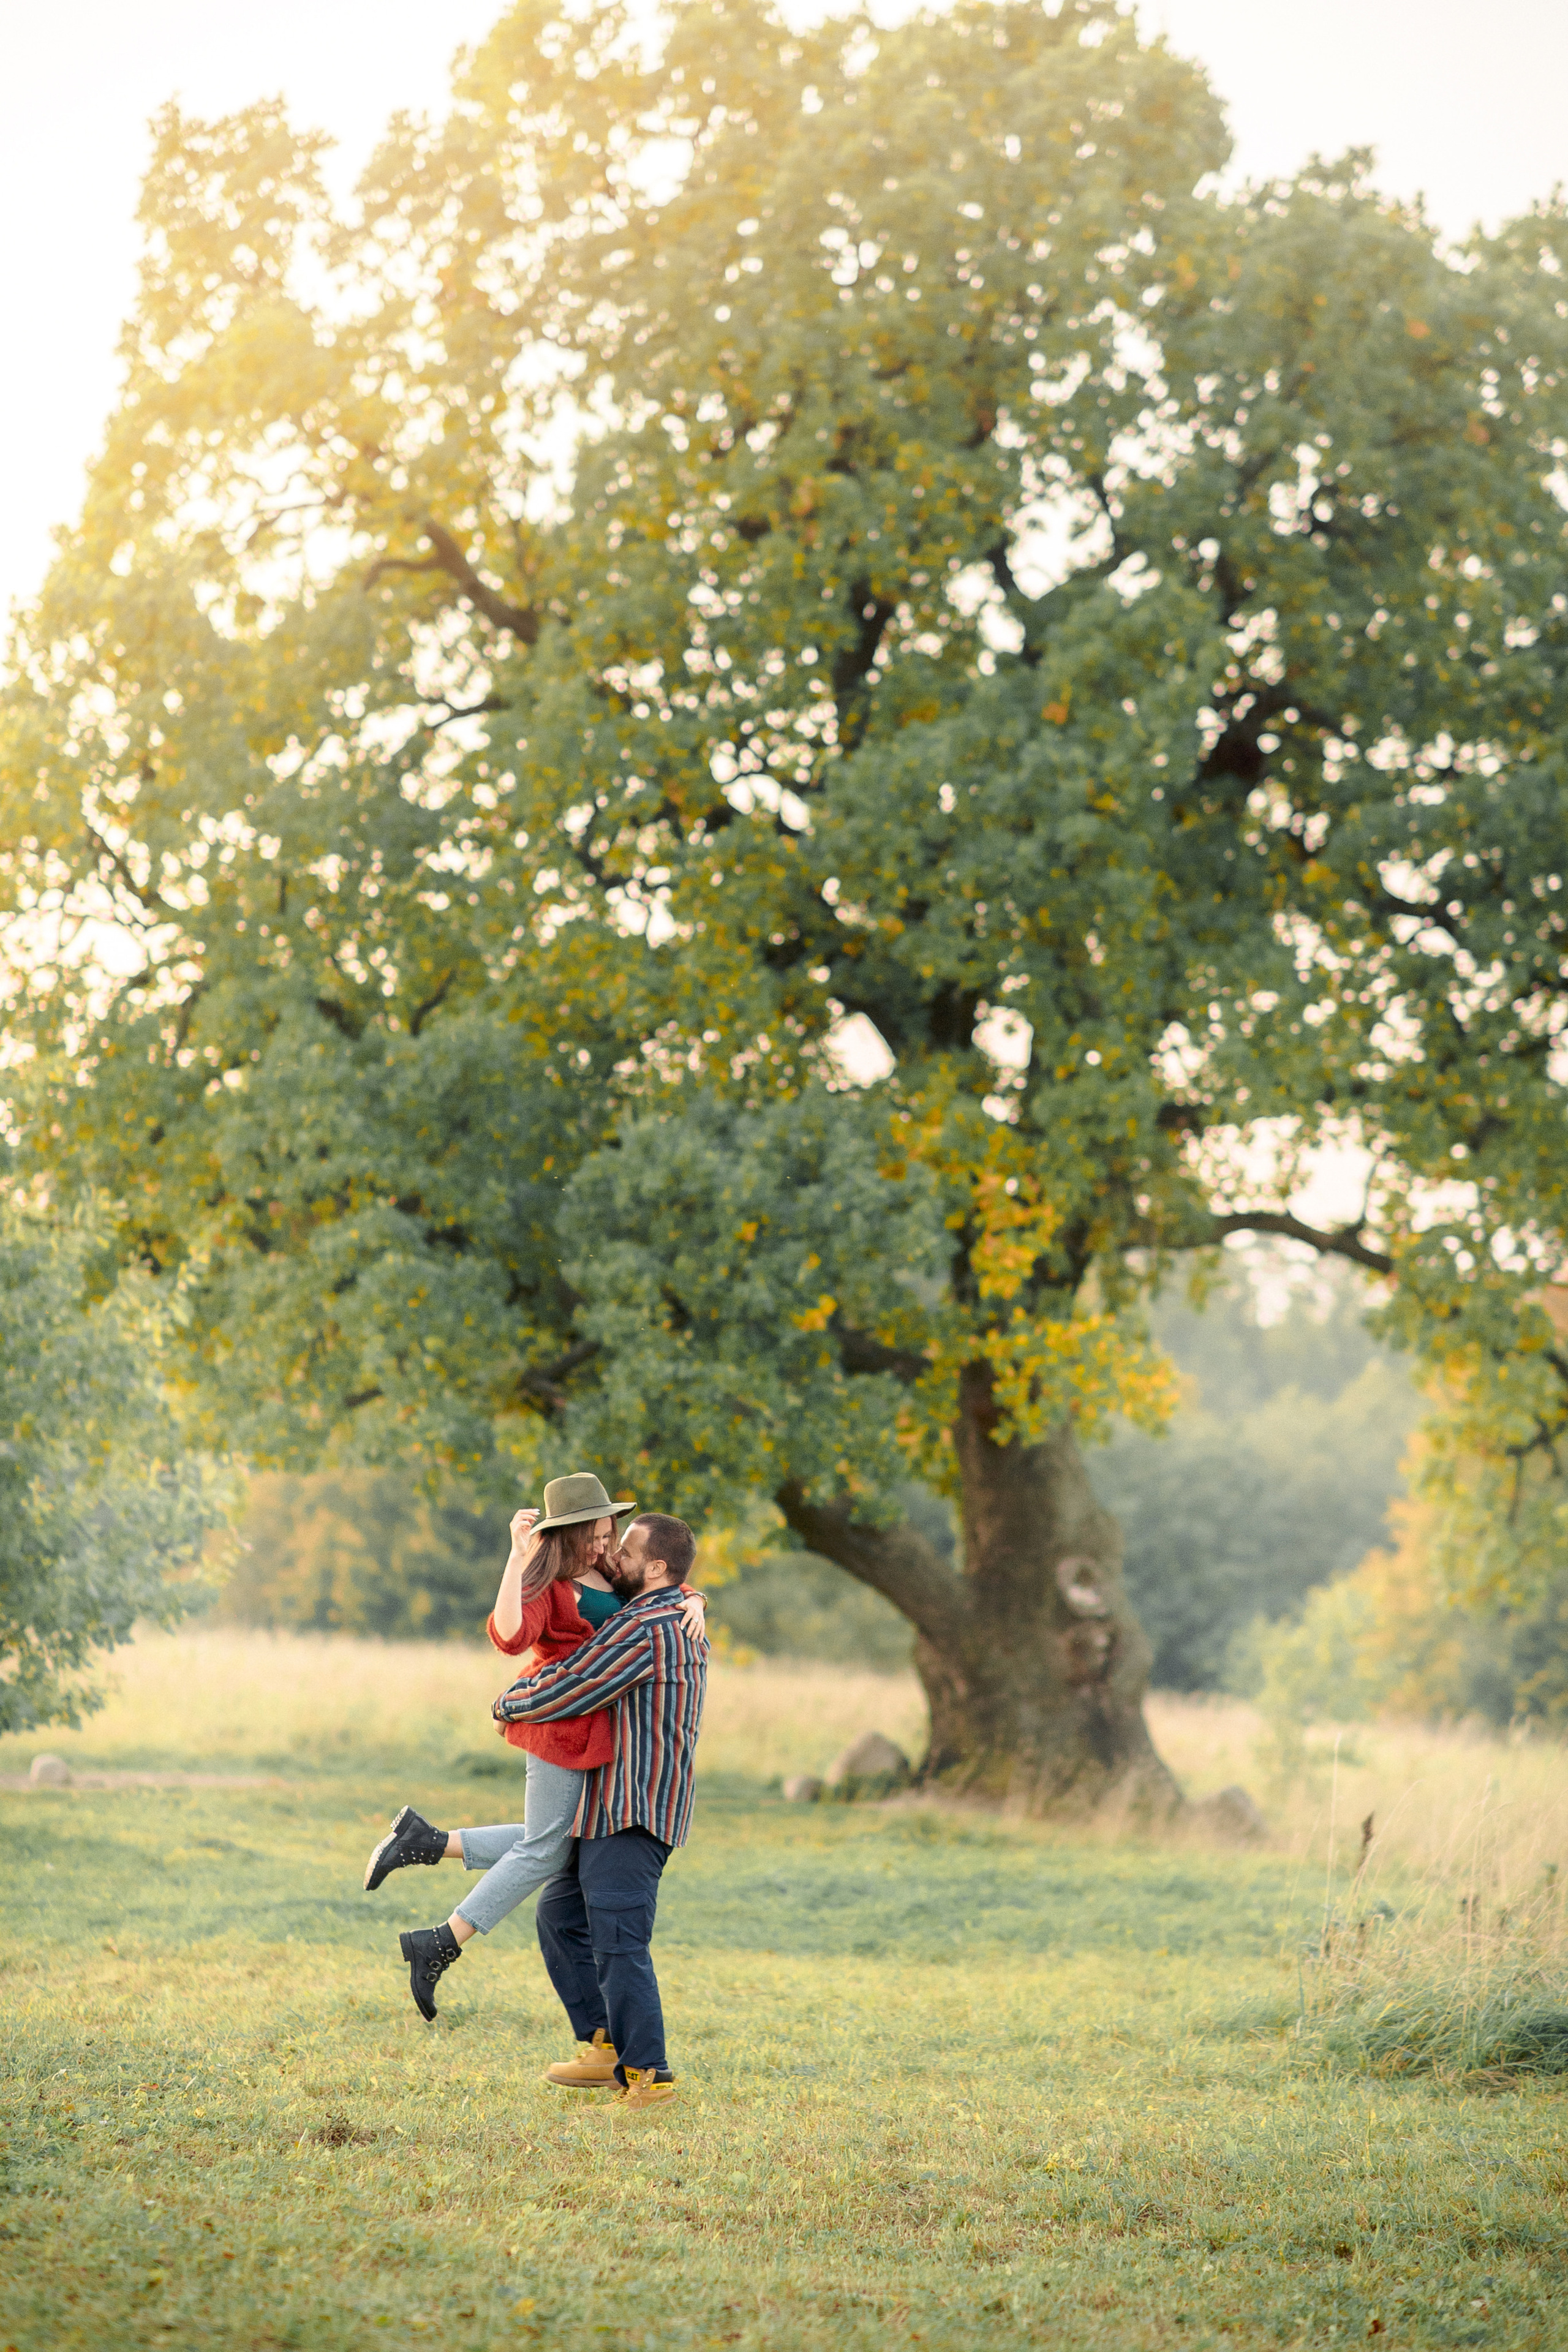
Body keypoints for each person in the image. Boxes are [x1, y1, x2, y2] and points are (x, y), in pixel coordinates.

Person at [361, 1474, 706, 2021]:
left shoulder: (607, 1569)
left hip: (592, 1728)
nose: (604, 1546)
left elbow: (658, 1581)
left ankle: (426, 1841)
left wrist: (694, 1599)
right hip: (556, 1721)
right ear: (567, 1533)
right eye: (594, 1536)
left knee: (560, 1844)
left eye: (607, 1534)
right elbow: (510, 1634)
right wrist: (515, 1560)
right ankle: (439, 1943)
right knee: (547, 1850)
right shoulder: (546, 1582)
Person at [496, 1510, 706, 2109]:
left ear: (657, 1568)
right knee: (560, 1917)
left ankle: (648, 2075)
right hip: (605, 1806)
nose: (617, 1557)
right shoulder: (654, 1611)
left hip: (633, 1809)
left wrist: (508, 1702)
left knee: (618, 1943)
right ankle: (601, 2044)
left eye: (630, 1551)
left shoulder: (650, 1627)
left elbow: (576, 1685)